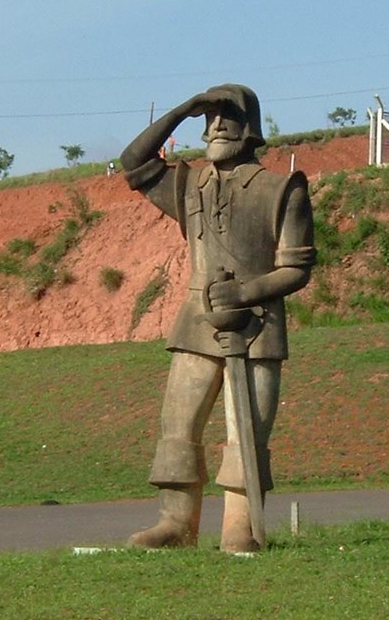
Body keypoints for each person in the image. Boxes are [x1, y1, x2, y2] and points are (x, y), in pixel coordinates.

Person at [119, 84, 315, 553]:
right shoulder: (189, 185)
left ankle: (239, 525)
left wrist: (246, 291)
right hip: (196, 322)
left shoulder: (281, 188)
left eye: (229, 116)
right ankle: (175, 522)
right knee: (179, 425)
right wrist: (185, 110)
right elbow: (133, 162)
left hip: (258, 326)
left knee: (246, 430)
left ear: (251, 129)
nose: (218, 125)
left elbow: (298, 266)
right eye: (211, 118)